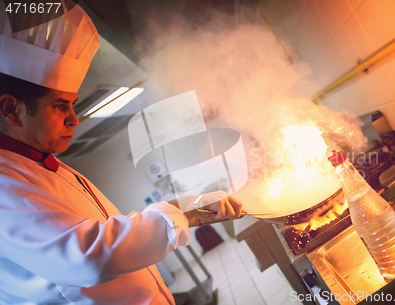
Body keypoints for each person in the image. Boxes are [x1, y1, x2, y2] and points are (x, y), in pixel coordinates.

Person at [0, 2, 242, 304]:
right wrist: (184, 212)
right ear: (12, 110)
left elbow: (104, 230)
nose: (74, 119)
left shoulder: (44, 165)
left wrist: (182, 205)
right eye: (61, 105)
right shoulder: (4, 182)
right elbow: (88, 255)